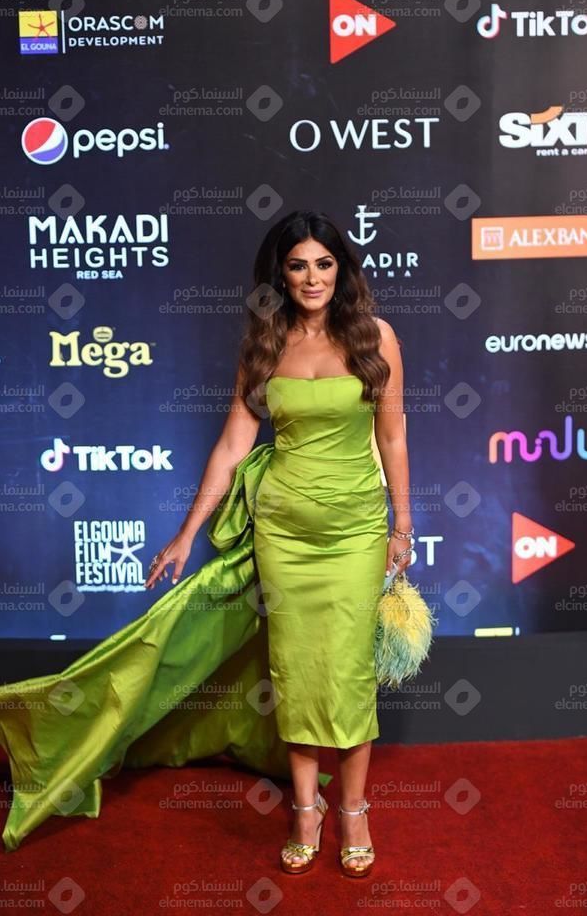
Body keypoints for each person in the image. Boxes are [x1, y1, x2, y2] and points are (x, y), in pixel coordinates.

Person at [145, 209, 413, 877]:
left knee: (348, 671)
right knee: (291, 670)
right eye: (298, 266)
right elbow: (233, 446)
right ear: (281, 274)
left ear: (342, 270)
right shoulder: (265, 344)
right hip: (283, 532)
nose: (312, 277)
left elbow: (393, 436)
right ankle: (304, 810)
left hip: (354, 530)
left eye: (324, 264)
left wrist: (402, 525)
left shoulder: (376, 337)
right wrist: (186, 533)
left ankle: (353, 810)